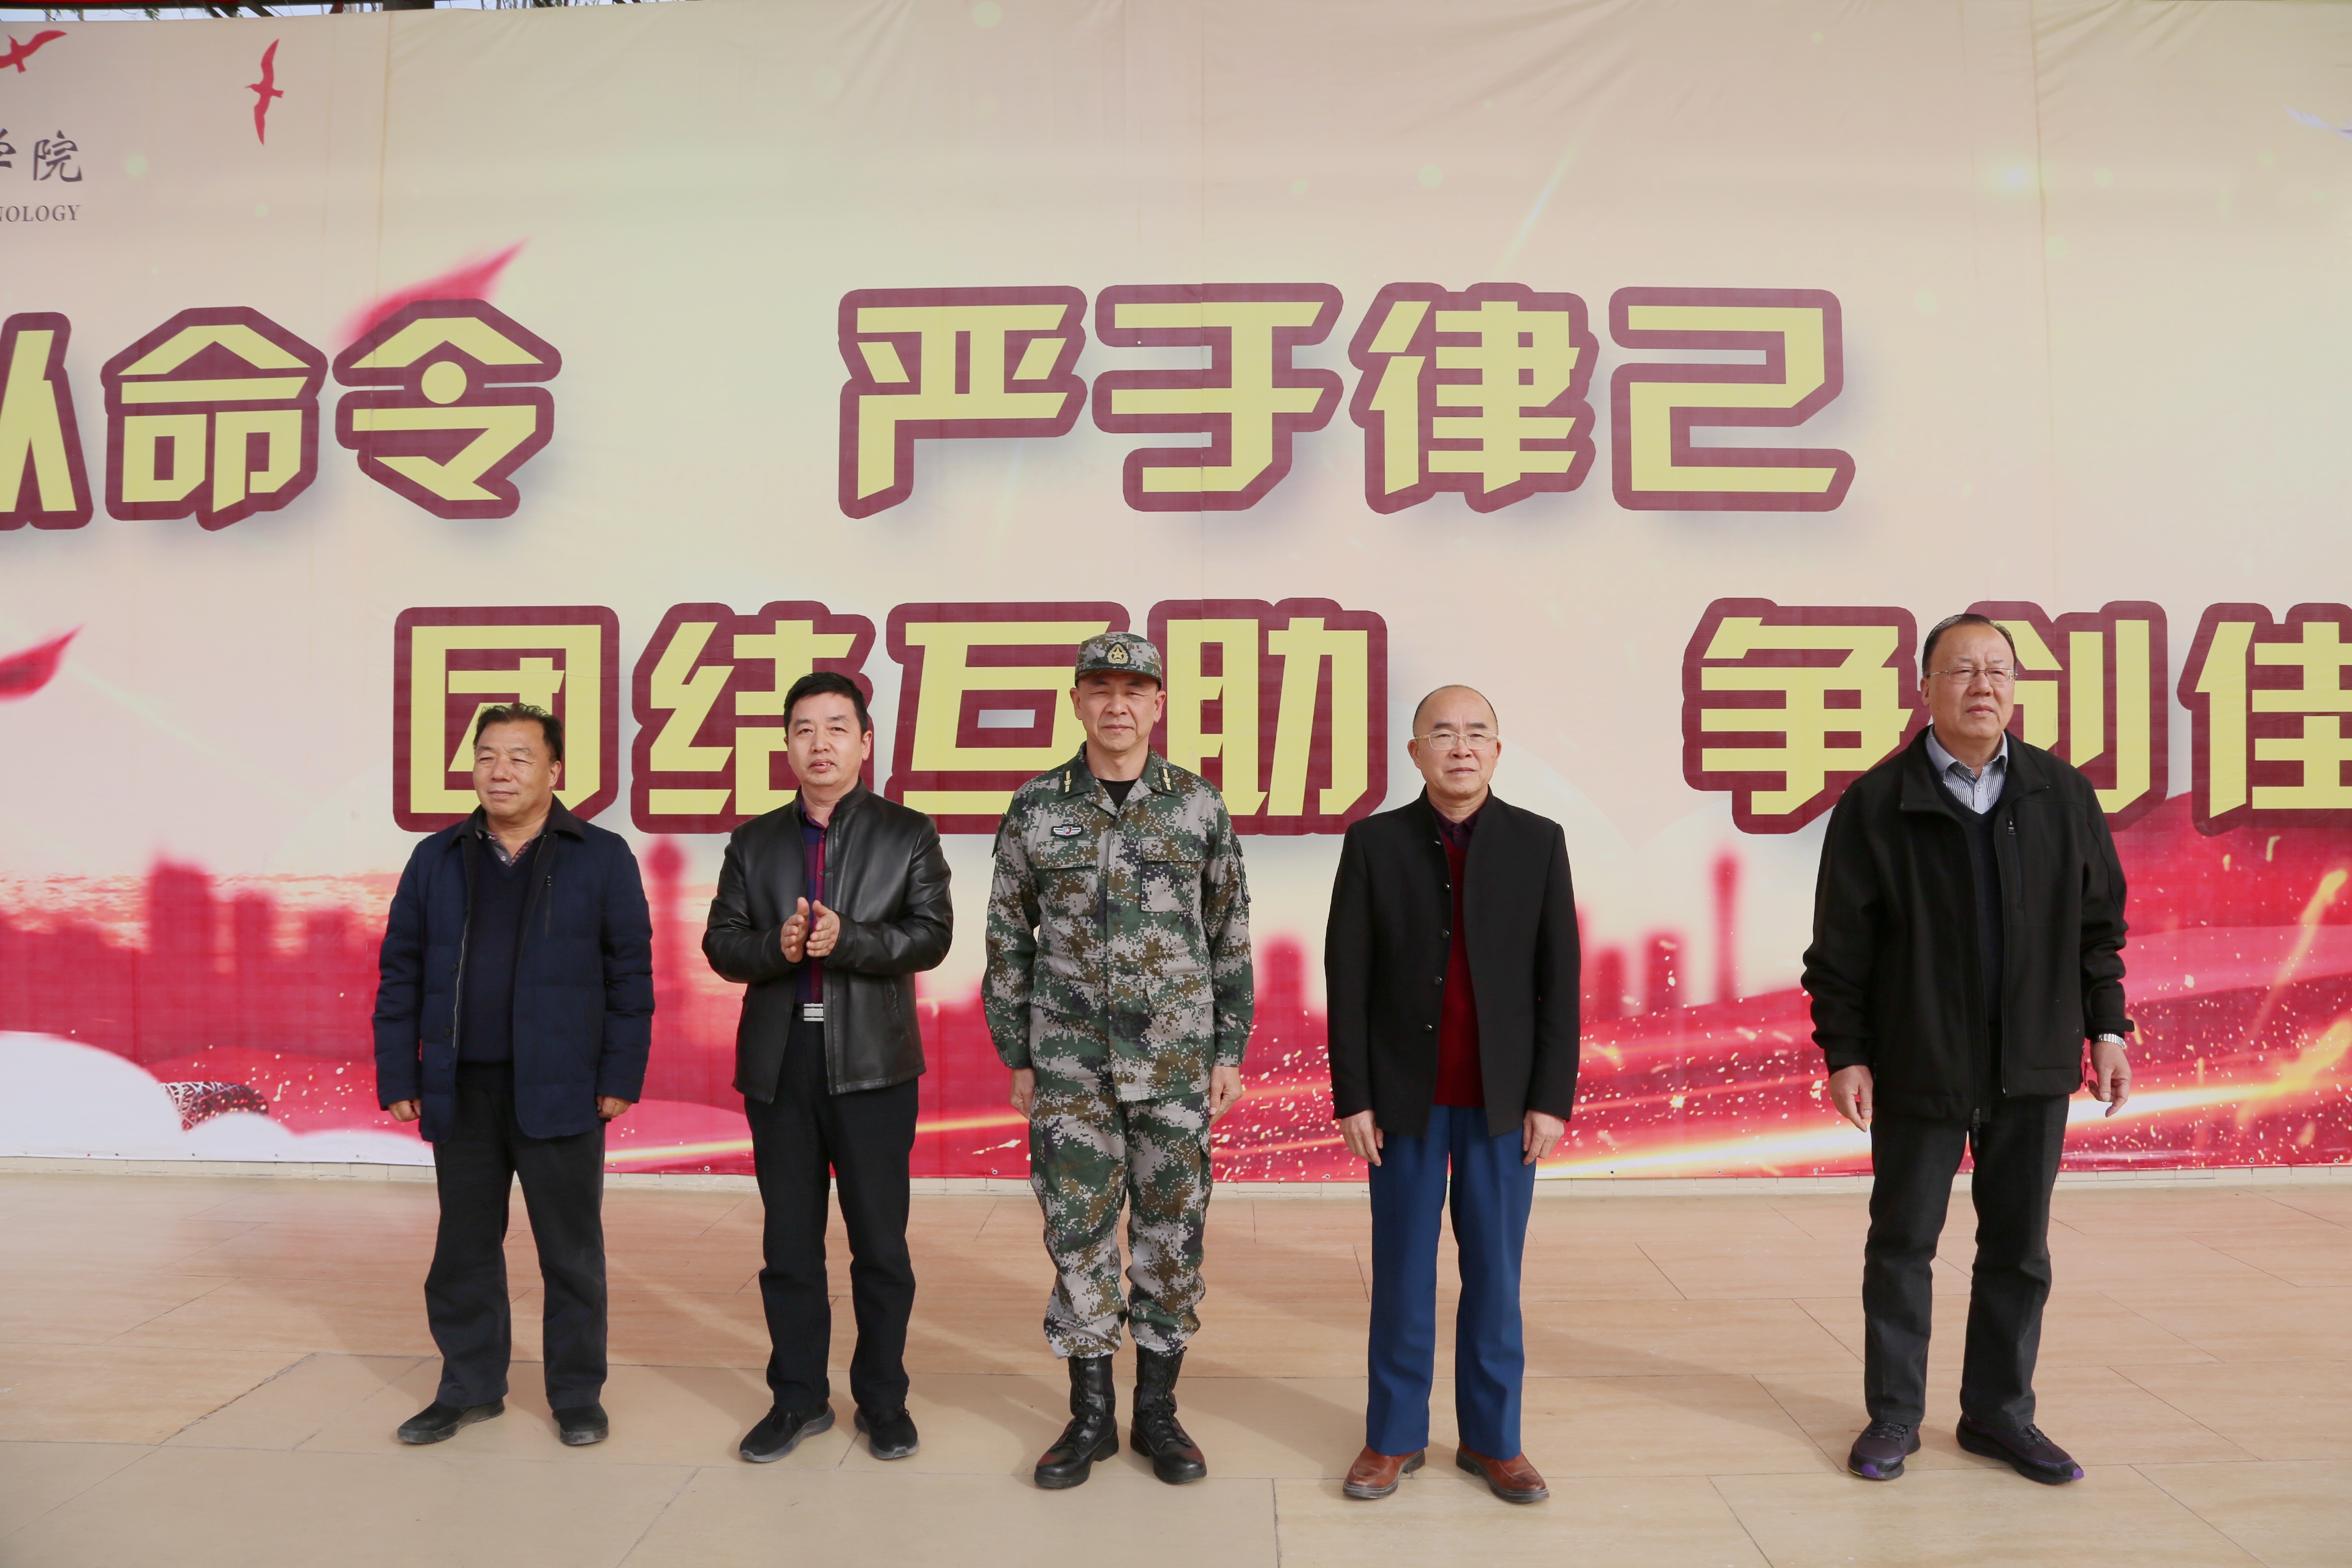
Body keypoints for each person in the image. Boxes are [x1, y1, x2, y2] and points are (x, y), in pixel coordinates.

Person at [1804, 612, 2133, 1486]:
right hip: (1921, 1061)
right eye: (1961, 670)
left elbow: (2098, 931)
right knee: (1903, 1243)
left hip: (2033, 1063)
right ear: (1925, 688)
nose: (1982, 686)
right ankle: (1894, 1415)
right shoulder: (1878, 802)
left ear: (2016, 688)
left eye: (1998, 670)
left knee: (2019, 1250)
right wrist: (1846, 1052)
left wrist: (2107, 1028)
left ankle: (1998, 1414)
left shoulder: (2062, 794)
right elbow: (1839, 951)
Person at [984, 631, 1254, 1489]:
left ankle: (1158, 1414)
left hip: (1175, 1066)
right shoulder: (1036, 807)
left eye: (1134, 690)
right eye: (1100, 688)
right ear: (1076, 701)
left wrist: (1230, 1048)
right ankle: (1090, 1417)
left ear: (1158, 704)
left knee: (1172, 1235)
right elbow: (1007, 936)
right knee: (1079, 1235)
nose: (1117, 705)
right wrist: (1018, 1051)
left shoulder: (1197, 807)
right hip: (1070, 1066)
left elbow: (1229, 933)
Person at [1324, 685, 1579, 1506]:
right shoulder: (1374, 843)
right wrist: (1354, 1095)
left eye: (1477, 734)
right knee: (1402, 1272)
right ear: (1416, 752)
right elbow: (1347, 978)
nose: (1461, 747)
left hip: (1505, 1103)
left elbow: (1560, 981)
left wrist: (1551, 1097)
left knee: (1496, 1277)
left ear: (1497, 751)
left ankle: (1493, 1441)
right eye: (1443, 733)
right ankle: (1393, 1437)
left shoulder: (1538, 842)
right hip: (1403, 1101)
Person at [374, 702, 653, 1449]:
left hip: (564, 1086)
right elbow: (401, 971)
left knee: (571, 1252)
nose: (500, 771)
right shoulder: (435, 857)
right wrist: (399, 1071)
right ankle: (469, 1387)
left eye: (520, 757)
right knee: (464, 1249)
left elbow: (630, 976)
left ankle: (576, 1395)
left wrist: (621, 1073)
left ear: (554, 771)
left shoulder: (600, 856)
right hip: (460, 1088)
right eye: (487, 755)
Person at [704, 671, 952, 1464]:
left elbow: (932, 935)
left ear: (865, 742)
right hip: (781, 1067)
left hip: (874, 1068)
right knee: (788, 1247)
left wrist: (851, 940)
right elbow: (721, 944)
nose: (821, 744)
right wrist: (772, 948)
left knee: (880, 1246)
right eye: (805, 729)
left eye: (837, 728)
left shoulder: (908, 834)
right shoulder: (753, 842)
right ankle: (797, 1399)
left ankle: (883, 1401)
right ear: (786, 744)